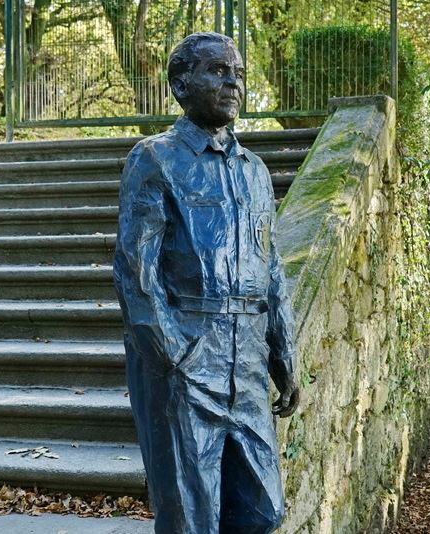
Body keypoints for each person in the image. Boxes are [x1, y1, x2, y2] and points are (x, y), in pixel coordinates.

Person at [113, 31, 300, 534]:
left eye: (237, 73)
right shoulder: (155, 159)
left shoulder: (254, 170)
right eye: (218, 71)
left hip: (249, 363)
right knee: (190, 517)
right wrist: (174, 355)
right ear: (180, 83)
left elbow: (273, 268)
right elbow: (135, 270)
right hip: (189, 357)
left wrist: (284, 351)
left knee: (263, 510)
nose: (232, 83)